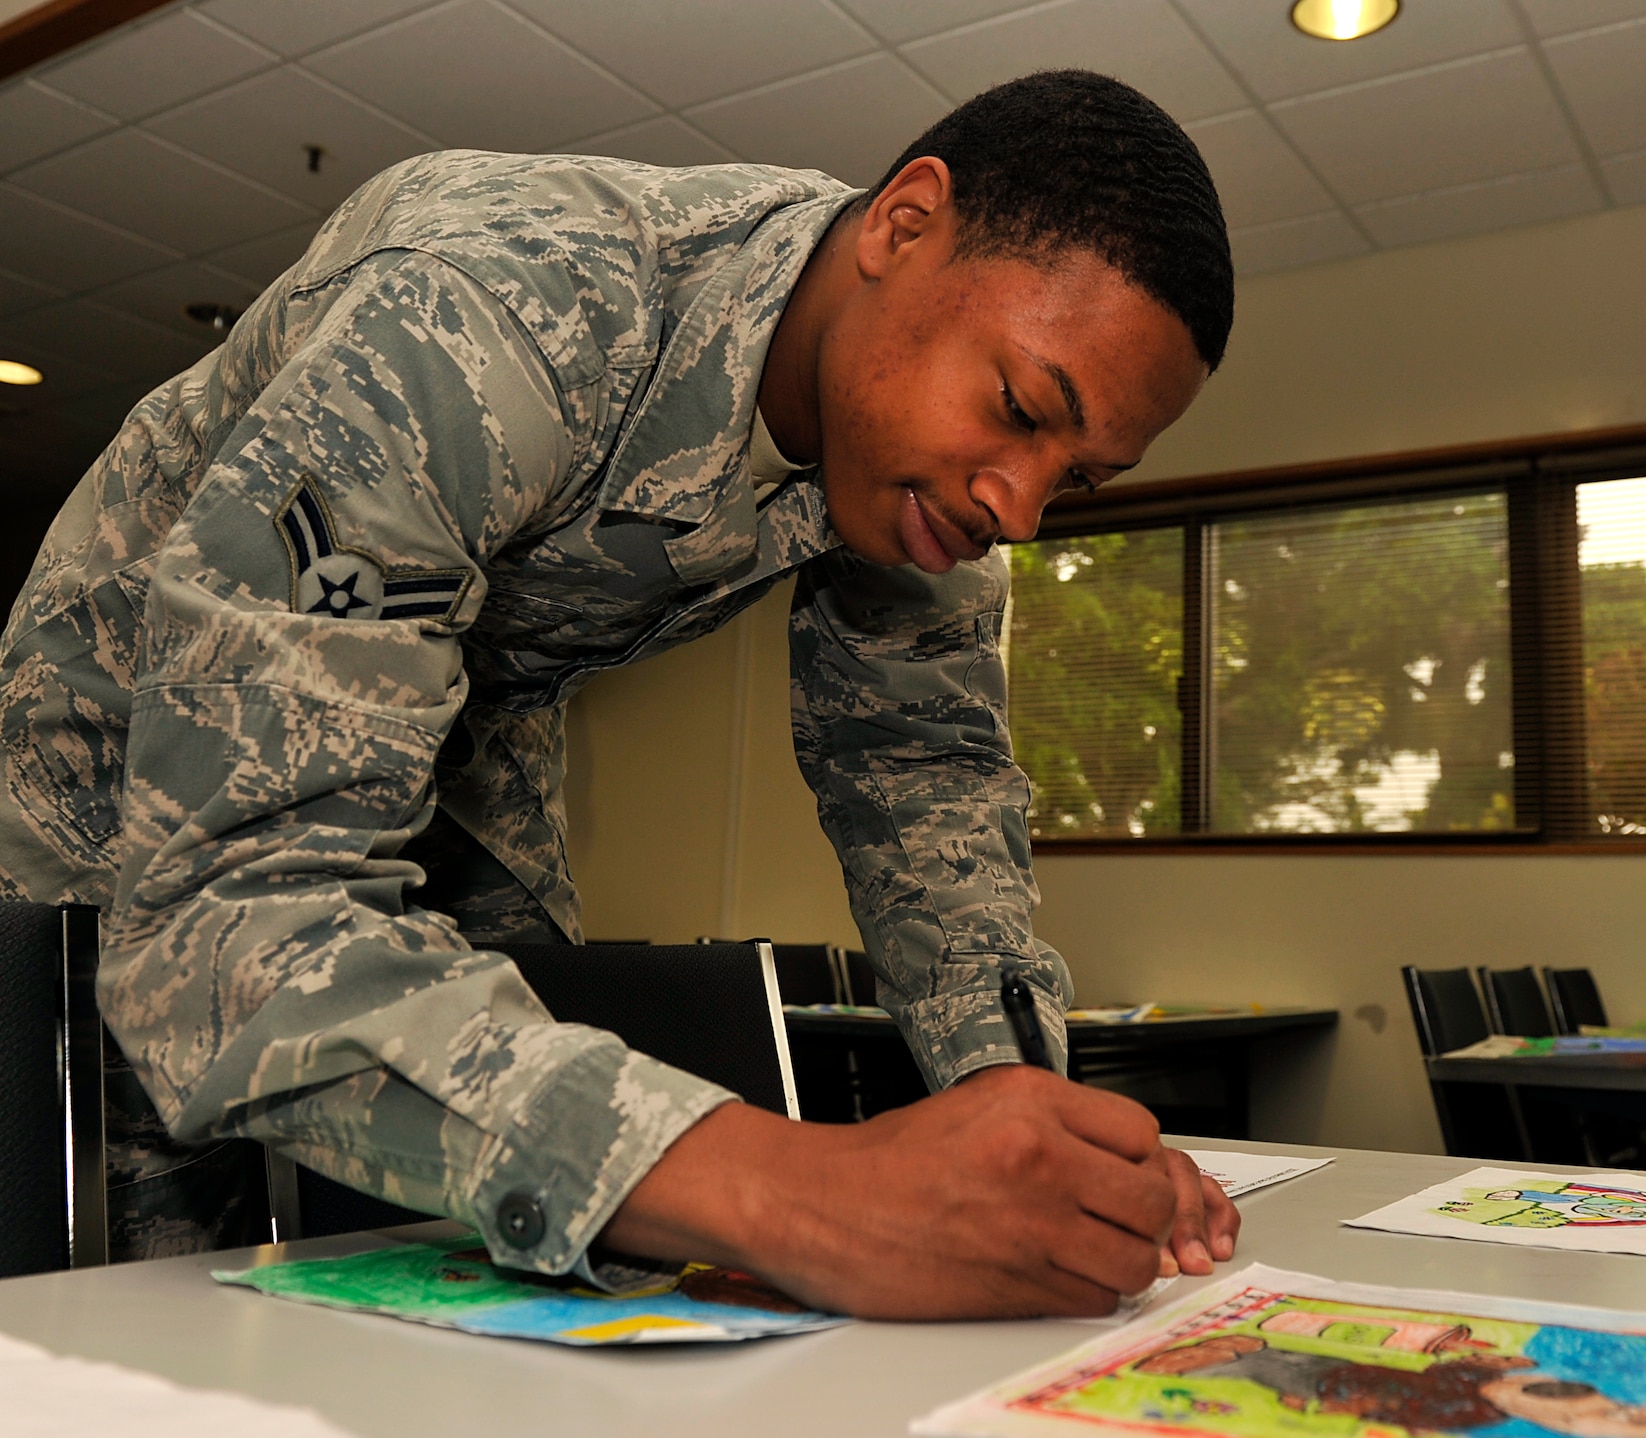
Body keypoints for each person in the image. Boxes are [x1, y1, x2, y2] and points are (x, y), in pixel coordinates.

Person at [0, 69, 1239, 1319]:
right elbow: (237, 921)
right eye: (1021, 409)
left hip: (465, 723)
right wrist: (803, 1194)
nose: (1015, 509)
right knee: (149, 1240)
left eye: (1071, 480)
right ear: (902, 224)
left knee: (470, 1211)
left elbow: (928, 779)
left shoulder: (929, 476)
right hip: (115, 743)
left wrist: (1028, 1121)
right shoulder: (485, 305)